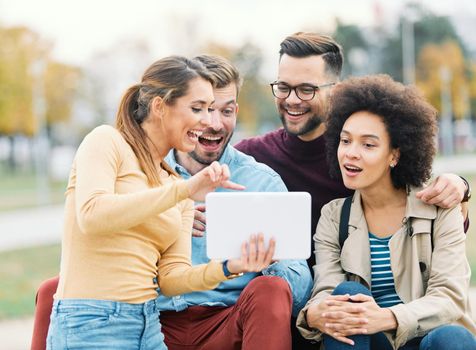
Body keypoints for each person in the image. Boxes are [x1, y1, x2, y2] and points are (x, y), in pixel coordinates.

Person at [45, 55, 276, 350]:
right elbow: (92, 215)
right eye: (197, 108)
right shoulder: (107, 142)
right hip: (91, 322)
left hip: (148, 327)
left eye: (210, 109)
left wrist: (231, 266)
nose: (207, 121)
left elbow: (171, 279)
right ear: (159, 106)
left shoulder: (175, 186)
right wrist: (185, 191)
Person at [234, 32, 471, 272]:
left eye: (307, 89)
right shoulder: (249, 157)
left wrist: (459, 187)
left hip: (356, 297)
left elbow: (425, 221)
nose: (292, 100)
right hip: (284, 298)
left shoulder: (361, 155)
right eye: (283, 87)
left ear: (335, 90)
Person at [296, 74, 476, 350]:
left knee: (454, 337)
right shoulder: (333, 217)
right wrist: (315, 312)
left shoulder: (440, 210)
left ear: (395, 155)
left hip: (426, 338)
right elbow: (326, 289)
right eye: (345, 141)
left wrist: (387, 317)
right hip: (365, 341)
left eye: (368, 144)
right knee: (346, 296)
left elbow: (449, 299)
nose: (350, 153)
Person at [157, 54, 312, 350]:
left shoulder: (262, 182)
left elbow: (299, 293)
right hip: (155, 322)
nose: (215, 124)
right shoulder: (145, 174)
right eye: (203, 110)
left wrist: (273, 260)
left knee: (271, 288)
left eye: (226, 111)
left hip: (227, 321)